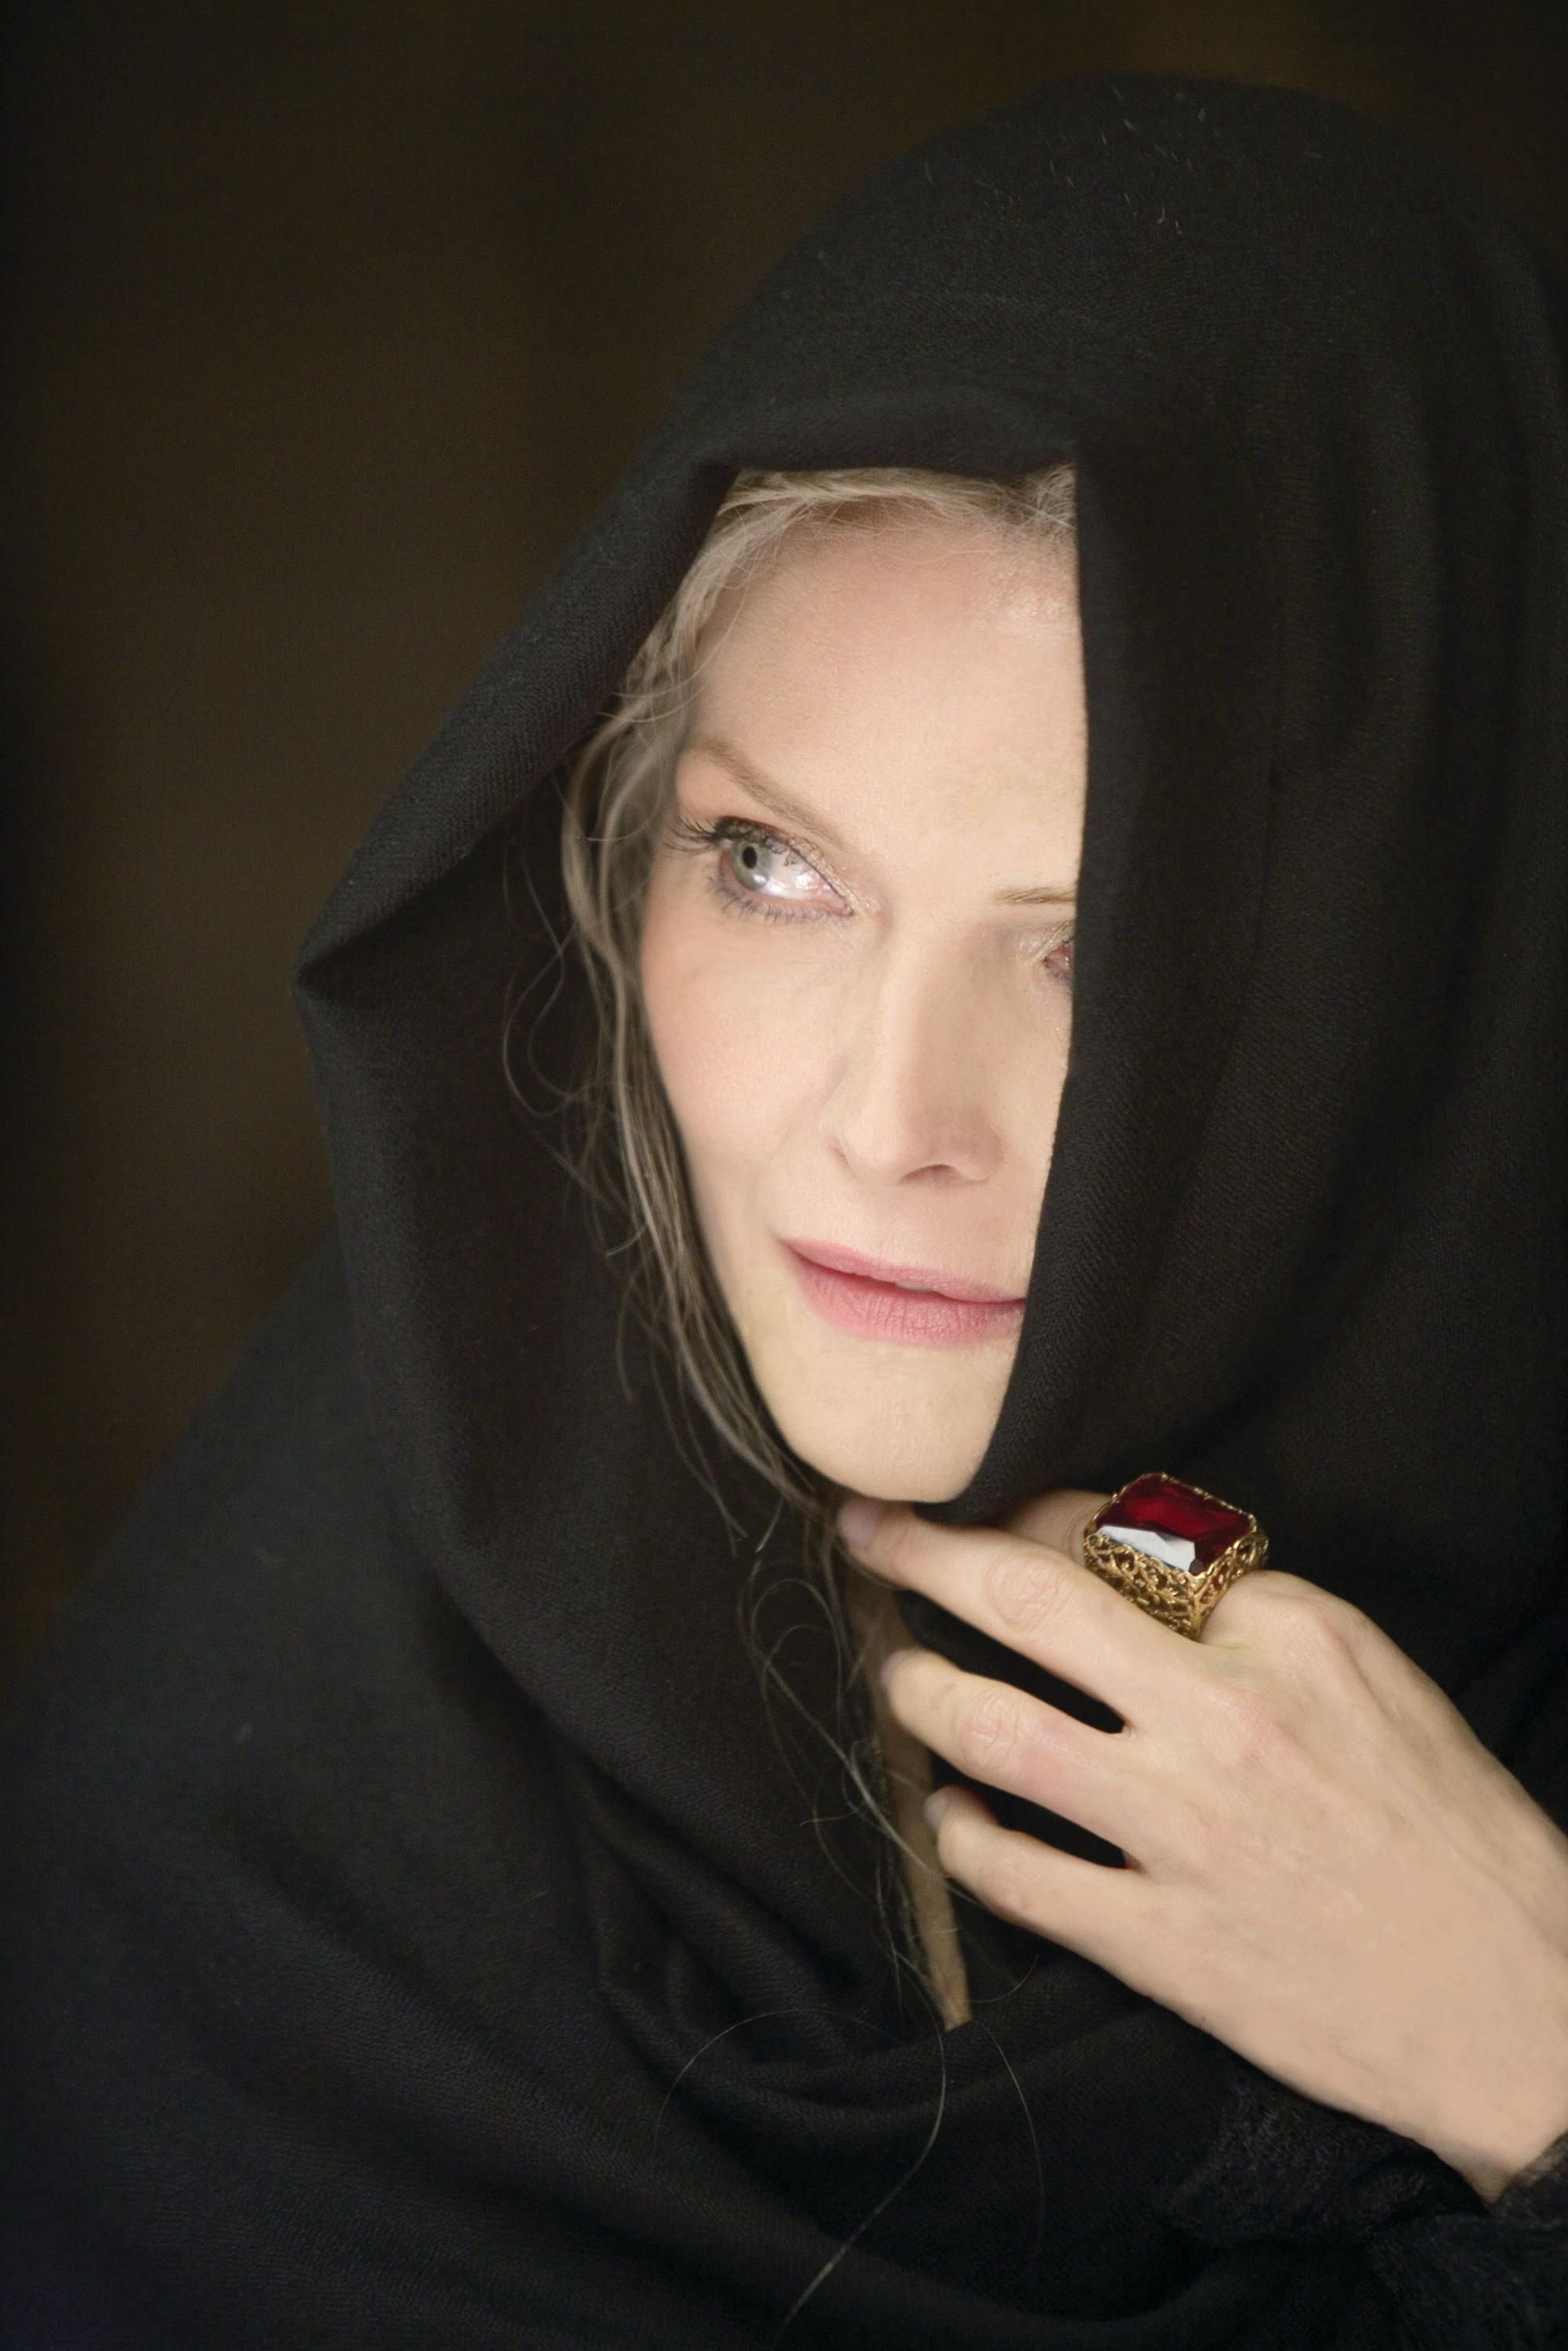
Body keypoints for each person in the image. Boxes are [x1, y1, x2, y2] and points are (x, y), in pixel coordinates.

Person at [2, 70, 1566, 2349]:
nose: (887, 1125)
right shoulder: (236, 1861)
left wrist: (1525, 2052)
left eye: (1106, 950)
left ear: (1458, 964)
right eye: (772, 867)